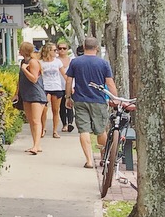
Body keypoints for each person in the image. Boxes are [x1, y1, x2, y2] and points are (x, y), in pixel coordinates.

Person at [64, 35, 119, 169]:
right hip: (98, 100)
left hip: (80, 100)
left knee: (84, 130)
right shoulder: (103, 63)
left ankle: (89, 160)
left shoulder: (75, 62)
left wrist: (68, 97)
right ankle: (103, 157)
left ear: (84, 47)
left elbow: (69, 81)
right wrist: (115, 98)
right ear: (97, 48)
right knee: (101, 130)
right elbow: (110, 83)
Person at [17, 39, 47, 154]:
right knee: (31, 120)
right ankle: (35, 144)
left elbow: (34, 79)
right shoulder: (23, 62)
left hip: (36, 94)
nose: (19, 50)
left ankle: (36, 145)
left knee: (36, 120)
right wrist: (16, 93)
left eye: (20, 49)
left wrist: (25, 69)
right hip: (26, 94)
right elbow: (20, 79)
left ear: (24, 51)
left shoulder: (33, 62)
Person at [39, 41, 67, 138]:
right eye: (54, 50)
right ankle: (43, 128)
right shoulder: (41, 62)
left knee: (56, 110)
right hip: (45, 87)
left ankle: (55, 131)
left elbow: (64, 74)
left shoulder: (57, 62)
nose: (56, 52)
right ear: (48, 51)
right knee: (44, 109)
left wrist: (70, 86)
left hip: (56, 87)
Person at [56, 40, 75, 131]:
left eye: (64, 48)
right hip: (58, 86)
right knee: (62, 107)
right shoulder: (55, 60)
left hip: (70, 86)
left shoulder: (72, 60)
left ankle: (70, 123)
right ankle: (64, 124)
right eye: (60, 48)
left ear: (67, 49)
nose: (62, 50)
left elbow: (74, 75)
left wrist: (73, 86)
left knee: (70, 105)